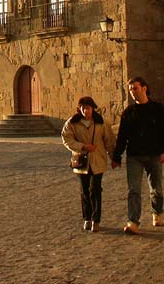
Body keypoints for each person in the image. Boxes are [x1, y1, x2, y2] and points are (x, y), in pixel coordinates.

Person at [111, 76, 164, 235]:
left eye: (135, 88)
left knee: (156, 188)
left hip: (154, 154)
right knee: (134, 190)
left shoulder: (158, 109)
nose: (132, 92)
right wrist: (117, 156)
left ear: (144, 88)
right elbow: (122, 137)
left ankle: (157, 212)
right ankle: (133, 221)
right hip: (134, 156)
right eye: (130, 89)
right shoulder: (128, 113)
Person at [61, 96, 116, 232]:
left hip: (98, 160)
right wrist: (83, 146)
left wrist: (114, 157)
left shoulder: (101, 122)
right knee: (84, 190)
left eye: (88, 108)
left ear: (93, 108)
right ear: (79, 109)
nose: (86, 111)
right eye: (83, 108)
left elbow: (109, 140)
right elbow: (66, 139)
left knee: (95, 189)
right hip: (81, 161)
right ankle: (87, 218)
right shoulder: (72, 122)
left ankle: (96, 219)